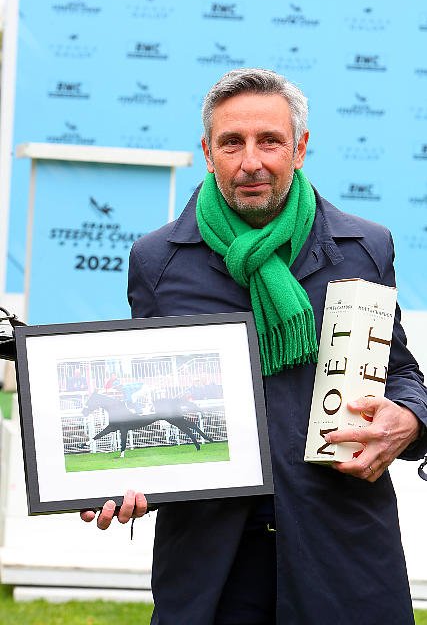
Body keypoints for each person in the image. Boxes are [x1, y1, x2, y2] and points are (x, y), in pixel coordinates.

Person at [81, 68, 427, 625]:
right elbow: (147, 400)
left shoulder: (364, 247)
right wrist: (115, 474)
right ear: (207, 152)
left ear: (299, 148)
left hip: (340, 549)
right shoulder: (158, 262)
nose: (251, 162)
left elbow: (400, 371)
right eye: (231, 143)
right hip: (212, 564)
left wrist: (410, 418)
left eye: (269, 141)